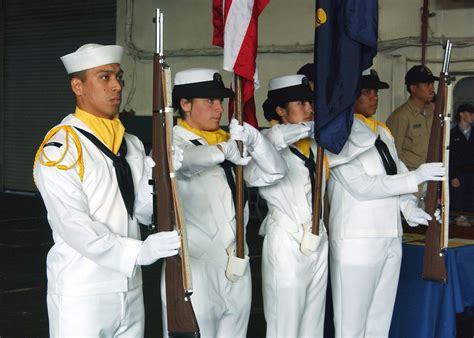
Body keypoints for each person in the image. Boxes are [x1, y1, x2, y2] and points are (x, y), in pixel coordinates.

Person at [33, 43, 181, 337]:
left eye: (119, 77)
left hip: (130, 286)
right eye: (104, 77)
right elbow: (75, 226)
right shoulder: (62, 149)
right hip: (84, 290)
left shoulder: (131, 144)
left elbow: (139, 210)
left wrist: (161, 178)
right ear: (78, 85)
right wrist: (139, 251)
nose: (116, 86)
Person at [161, 68, 287, 338]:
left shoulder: (230, 147)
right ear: (184, 104)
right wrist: (222, 150)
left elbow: (275, 172)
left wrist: (255, 139)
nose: (219, 108)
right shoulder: (171, 142)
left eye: (221, 101)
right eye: (209, 101)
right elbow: (186, 161)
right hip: (196, 268)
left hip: (236, 263)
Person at [326, 69, 445, 338]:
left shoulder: (381, 131)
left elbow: (397, 172)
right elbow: (363, 186)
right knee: (351, 325)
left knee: (380, 322)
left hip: (390, 236)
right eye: (366, 92)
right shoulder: (337, 135)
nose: (374, 97)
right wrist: (415, 178)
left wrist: (409, 207)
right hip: (357, 240)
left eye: (375, 92)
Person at [256, 74, 328, 337]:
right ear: (280, 110)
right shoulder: (269, 141)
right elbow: (274, 139)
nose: (310, 109)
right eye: (301, 103)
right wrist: (315, 126)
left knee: (313, 324)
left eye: (310, 103)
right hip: (287, 240)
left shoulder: (314, 144)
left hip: (317, 236)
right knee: (285, 325)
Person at [386, 65, 439, 171]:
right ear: (413, 88)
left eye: (432, 84)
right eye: (427, 84)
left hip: (431, 177)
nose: (432, 88)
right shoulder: (401, 116)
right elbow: (393, 155)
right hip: (412, 179)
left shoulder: (432, 113)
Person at [449, 103, 474, 213]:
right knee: (457, 202)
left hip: (472, 173)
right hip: (459, 175)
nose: (473, 116)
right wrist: (452, 176)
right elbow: (448, 157)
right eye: (470, 113)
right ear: (462, 114)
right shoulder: (452, 134)